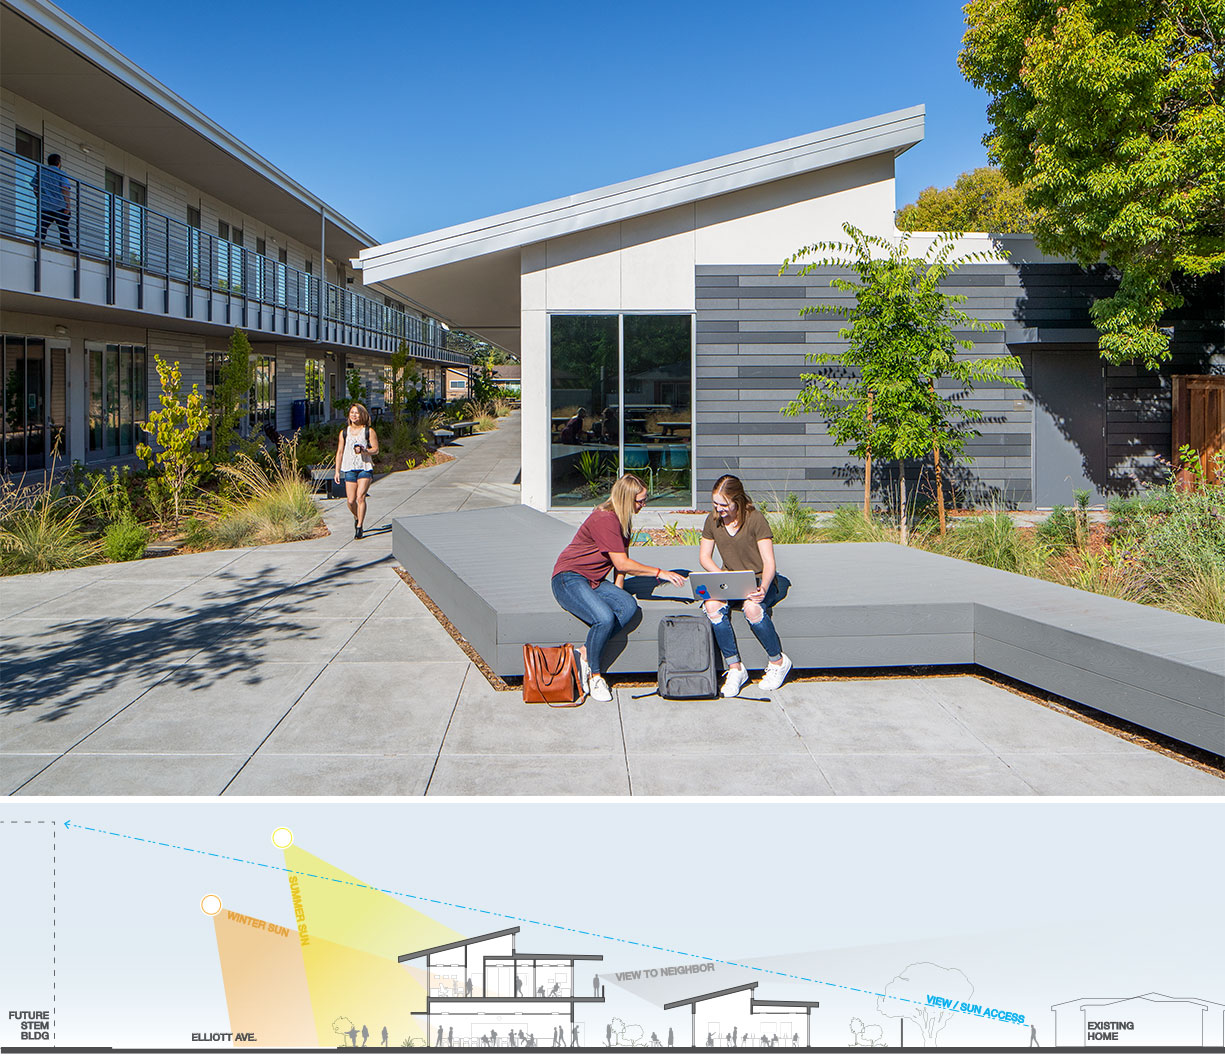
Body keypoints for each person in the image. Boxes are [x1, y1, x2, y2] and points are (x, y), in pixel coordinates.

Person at [552, 474, 687, 701]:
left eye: (645, 500)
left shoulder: (623, 520)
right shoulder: (604, 519)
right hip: (569, 578)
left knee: (628, 605)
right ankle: (595, 676)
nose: (643, 505)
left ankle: (585, 652)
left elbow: (620, 565)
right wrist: (659, 572)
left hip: (594, 580)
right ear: (626, 499)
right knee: (604, 618)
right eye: (640, 501)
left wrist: (618, 591)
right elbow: (623, 563)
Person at [699, 475, 793, 696]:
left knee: (752, 608)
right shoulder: (712, 520)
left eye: (724, 504)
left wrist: (764, 588)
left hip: (760, 579)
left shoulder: (755, 519)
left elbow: (769, 562)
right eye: (715, 504)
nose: (719, 509)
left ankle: (778, 662)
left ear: (738, 500)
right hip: (730, 579)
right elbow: (705, 557)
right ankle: (735, 668)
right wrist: (722, 577)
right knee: (712, 605)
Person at [334, 403, 379, 538]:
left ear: (362, 415)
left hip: (364, 467)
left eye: (357, 413)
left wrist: (365, 451)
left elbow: (376, 450)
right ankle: (356, 517)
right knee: (350, 501)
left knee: (360, 497)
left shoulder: (368, 431)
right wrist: (337, 471)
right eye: (352, 412)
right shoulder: (344, 433)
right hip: (349, 468)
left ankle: (359, 527)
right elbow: (340, 452)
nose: (354, 415)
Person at [35, 154, 74, 250]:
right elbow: (65, 189)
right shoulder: (61, 174)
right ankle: (68, 249)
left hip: (45, 206)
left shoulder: (41, 172)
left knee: (42, 228)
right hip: (59, 206)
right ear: (59, 163)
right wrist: (68, 205)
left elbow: (35, 188)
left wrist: (42, 198)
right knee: (63, 228)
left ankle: (37, 245)